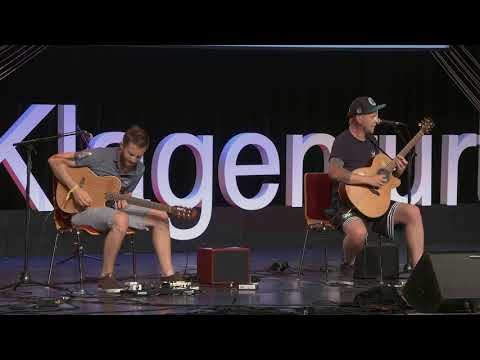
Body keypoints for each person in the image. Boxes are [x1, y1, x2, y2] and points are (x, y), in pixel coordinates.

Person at [48, 125, 182, 293]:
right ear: (121, 146)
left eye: (138, 156)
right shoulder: (98, 156)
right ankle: (106, 276)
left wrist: (123, 200)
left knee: (161, 216)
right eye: (130, 154)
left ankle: (168, 276)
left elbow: (123, 194)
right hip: (79, 210)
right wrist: (76, 189)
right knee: (121, 219)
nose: (133, 159)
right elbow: (54, 161)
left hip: (109, 208)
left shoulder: (139, 169)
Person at [327, 96, 424, 278]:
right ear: (358, 118)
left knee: (413, 212)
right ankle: (348, 263)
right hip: (347, 204)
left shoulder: (372, 141)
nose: (377, 120)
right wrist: (369, 181)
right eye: (373, 116)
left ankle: (417, 271)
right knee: (358, 234)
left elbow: (382, 177)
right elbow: (334, 172)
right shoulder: (343, 141)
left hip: (374, 203)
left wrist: (397, 172)